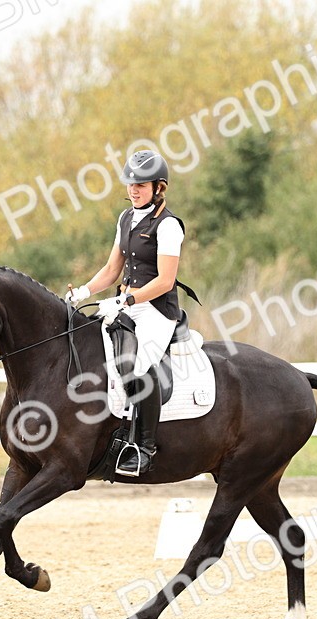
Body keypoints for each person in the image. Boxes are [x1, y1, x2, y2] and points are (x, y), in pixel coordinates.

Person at [65, 149, 185, 477]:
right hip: (127, 304)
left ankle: (144, 447)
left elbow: (165, 280)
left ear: (158, 187)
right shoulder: (126, 218)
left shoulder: (169, 226)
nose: (134, 190)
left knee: (138, 365)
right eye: (131, 184)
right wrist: (84, 292)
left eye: (141, 185)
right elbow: (111, 269)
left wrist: (127, 301)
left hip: (157, 310)